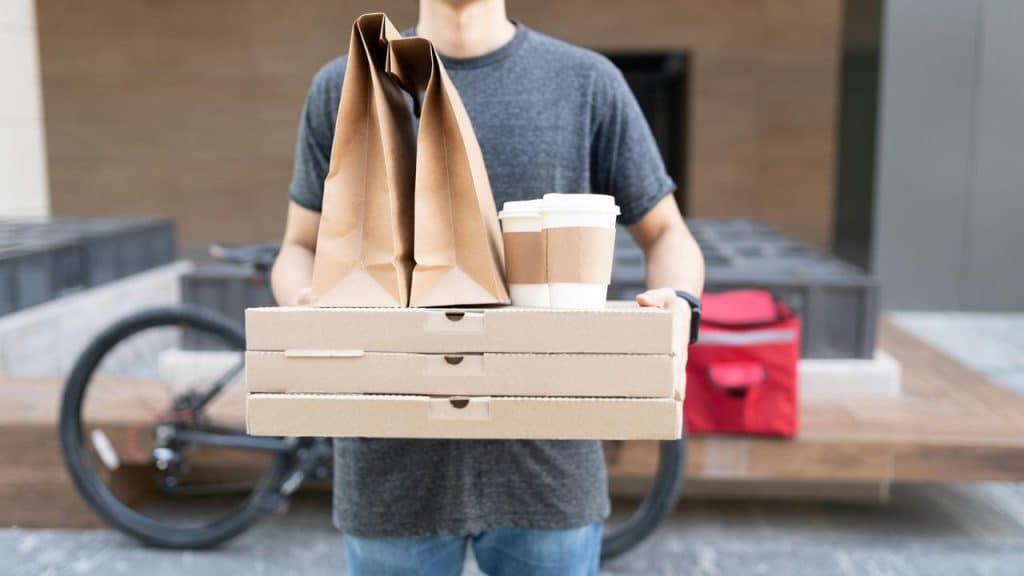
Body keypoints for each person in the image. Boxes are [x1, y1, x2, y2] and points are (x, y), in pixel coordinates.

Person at [271, 1, 705, 574]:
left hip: (549, 462)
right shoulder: (351, 81)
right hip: (388, 468)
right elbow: (298, 246)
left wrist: (679, 306)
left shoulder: (586, 82)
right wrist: (306, 304)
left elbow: (666, 230)